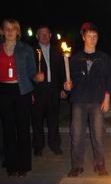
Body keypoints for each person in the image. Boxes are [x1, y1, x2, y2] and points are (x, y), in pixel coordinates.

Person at [64, 22, 111, 177]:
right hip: (79, 100)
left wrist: (107, 98)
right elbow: (69, 81)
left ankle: (100, 164)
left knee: (98, 135)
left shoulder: (103, 58)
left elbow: (109, 80)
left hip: (97, 101)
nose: (92, 39)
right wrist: (67, 85)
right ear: (83, 37)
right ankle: (77, 165)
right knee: (77, 135)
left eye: (95, 36)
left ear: (97, 38)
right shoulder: (75, 58)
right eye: (89, 36)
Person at [0, 19, 37, 177]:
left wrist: (37, 78)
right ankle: (11, 164)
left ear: (18, 32)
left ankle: (24, 165)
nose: (10, 32)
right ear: (1, 31)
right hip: (3, 90)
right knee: (7, 129)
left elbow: (31, 72)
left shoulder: (26, 49)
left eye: (13, 29)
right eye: (7, 29)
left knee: (22, 128)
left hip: (22, 90)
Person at [31, 26, 66, 157]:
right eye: (41, 34)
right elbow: (27, 72)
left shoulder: (57, 50)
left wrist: (63, 88)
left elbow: (62, 70)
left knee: (53, 120)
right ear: (37, 36)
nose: (44, 36)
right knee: (37, 121)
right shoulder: (31, 51)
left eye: (46, 34)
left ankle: (55, 145)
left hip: (53, 90)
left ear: (51, 35)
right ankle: (38, 146)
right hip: (38, 90)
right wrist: (30, 92)